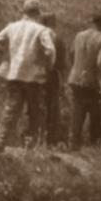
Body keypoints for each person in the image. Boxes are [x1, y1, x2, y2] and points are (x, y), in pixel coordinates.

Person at [0, 0, 56, 152]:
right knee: (35, 111)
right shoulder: (41, 30)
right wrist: (47, 67)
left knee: (11, 109)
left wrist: (7, 56)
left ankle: (0, 142)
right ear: (38, 13)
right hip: (34, 77)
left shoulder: (11, 27)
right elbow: (50, 51)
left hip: (14, 74)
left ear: (24, 12)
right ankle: (29, 145)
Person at [67, 11, 101, 148]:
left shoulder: (79, 35)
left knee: (77, 111)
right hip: (91, 81)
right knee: (95, 113)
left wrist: (77, 67)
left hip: (75, 78)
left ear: (91, 21)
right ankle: (94, 145)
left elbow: (71, 53)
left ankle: (73, 144)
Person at [35, 12, 67, 147]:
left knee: (36, 106)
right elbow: (62, 64)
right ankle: (51, 140)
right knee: (53, 107)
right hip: (53, 75)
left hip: (36, 75)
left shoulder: (37, 36)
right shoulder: (57, 39)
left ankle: (34, 138)